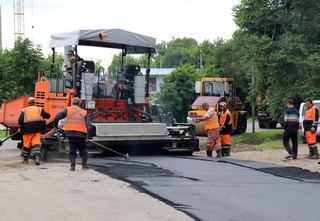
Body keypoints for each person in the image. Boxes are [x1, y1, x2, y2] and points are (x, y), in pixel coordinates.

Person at [54, 97, 89, 171]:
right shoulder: (84, 112)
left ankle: (72, 166)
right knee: (83, 149)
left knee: (72, 150)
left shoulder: (68, 109)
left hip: (70, 134)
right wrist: (87, 136)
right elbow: (88, 125)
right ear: (80, 103)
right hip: (81, 134)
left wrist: (55, 126)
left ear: (72, 103)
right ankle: (84, 165)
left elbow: (57, 117)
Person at [18, 97, 51, 165]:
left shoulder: (24, 110)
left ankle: (25, 160)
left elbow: (20, 120)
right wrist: (47, 114)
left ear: (28, 103)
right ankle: (37, 158)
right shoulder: (39, 109)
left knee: (27, 144)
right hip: (37, 129)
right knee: (36, 143)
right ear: (34, 103)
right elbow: (47, 116)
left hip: (27, 130)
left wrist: (20, 128)